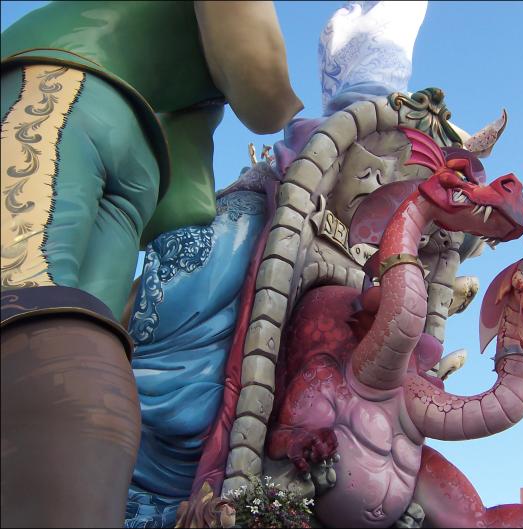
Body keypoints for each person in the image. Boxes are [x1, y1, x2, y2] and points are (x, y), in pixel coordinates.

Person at [0, 2, 302, 527]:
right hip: (130, 157)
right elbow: (188, 202)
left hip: (62, 91)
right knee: (83, 336)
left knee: (27, 308)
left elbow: (265, 99)